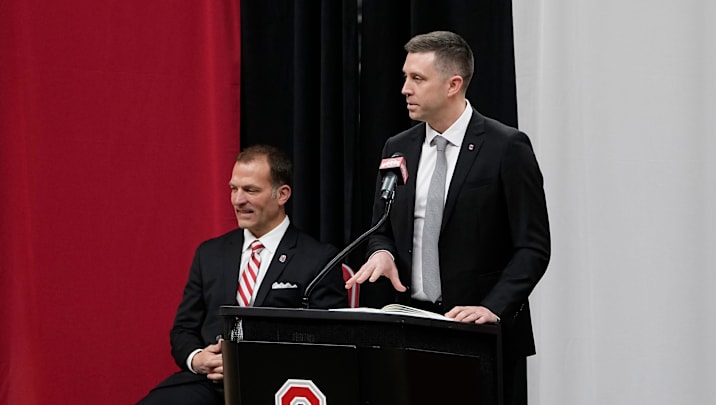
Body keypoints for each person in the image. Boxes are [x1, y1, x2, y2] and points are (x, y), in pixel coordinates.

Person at [345, 31, 550, 405]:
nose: (405, 88)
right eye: (405, 77)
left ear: (454, 84)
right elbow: (381, 228)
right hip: (410, 330)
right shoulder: (398, 147)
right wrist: (382, 253)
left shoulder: (507, 147)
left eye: (417, 79)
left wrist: (492, 307)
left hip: (482, 335)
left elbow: (532, 247)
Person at [138, 145, 348, 405]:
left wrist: (250, 363)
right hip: (211, 385)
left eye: (250, 190)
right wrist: (198, 359)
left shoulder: (319, 259)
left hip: (280, 386)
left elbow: (330, 344)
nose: (238, 200)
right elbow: (183, 329)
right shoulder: (210, 253)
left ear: (282, 194)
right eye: (233, 189)